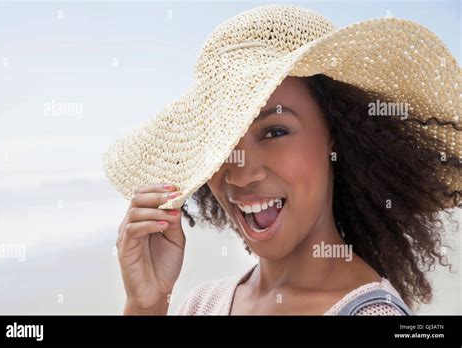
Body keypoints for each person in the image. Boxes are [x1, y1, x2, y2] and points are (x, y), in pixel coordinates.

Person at [104, 5, 461, 315]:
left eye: (274, 132)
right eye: (223, 142)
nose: (241, 174)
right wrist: (147, 306)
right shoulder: (201, 304)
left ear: (334, 134)